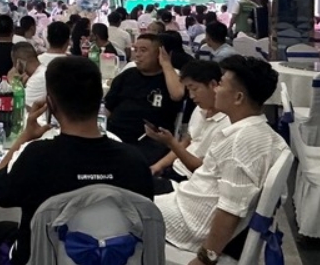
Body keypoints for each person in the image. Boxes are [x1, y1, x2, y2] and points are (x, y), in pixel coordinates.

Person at [0, 57, 154, 265]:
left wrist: (24, 137)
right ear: (100, 99)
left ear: (51, 104)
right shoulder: (135, 162)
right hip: (116, 258)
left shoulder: (37, 157)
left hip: (43, 259)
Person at [156, 56, 287, 260]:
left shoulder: (241, 143)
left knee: (117, 204)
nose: (215, 89)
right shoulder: (265, 134)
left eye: (221, 84)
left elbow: (230, 210)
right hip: (187, 202)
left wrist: (205, 259)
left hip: (189, 222)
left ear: (238, 97)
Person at [147, 60, 230, 194]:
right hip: (174, 168)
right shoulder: (200, 109)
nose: (191, 96)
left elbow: (202, 169)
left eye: (194, 89)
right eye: (189, 90)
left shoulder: (227, 125)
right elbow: (186, 142)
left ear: (213, 85)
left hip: (189, 181)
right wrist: (158, 166)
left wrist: (171, 142)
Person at [105, 34, 185, 164]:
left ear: (159, 54)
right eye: (135, 50)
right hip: (114, 134)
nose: (137, 55)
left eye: (143, 50)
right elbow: (107, 109)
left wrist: (166, 63)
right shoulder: (127, 75)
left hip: (149, 140)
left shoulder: (170, 78)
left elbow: (178, 95)